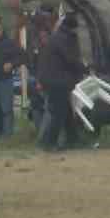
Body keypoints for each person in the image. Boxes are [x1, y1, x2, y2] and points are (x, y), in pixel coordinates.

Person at [37, 13, 88, 151]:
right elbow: (71, 59)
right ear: (73, 27)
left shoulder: (59, 36)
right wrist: (86, 69)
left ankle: (73, 139)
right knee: (58, 113)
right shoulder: (64, 39)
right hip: (58, 81)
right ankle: (49, 143)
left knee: (65, 112)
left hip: (54, 79)